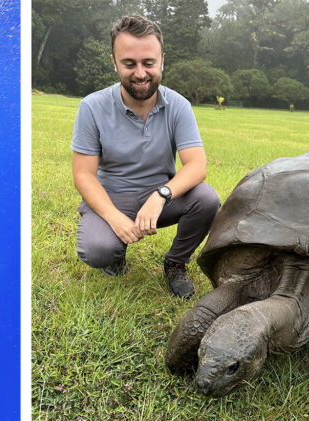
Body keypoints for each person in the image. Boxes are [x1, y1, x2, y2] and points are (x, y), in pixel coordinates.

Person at [71, 14, 220, 299]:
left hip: (161, 197)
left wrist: (161, 194)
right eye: (129, 63)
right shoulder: (92, 107)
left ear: (162, 60)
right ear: (114, 62)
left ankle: (176, 262)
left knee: (207, 199)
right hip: (112, 197)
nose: (140, 73)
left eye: (148, 63)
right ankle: (115, 253)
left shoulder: (178, 105)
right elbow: (83, 174)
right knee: (97, 250)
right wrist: (114, 217)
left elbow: (197, 166)